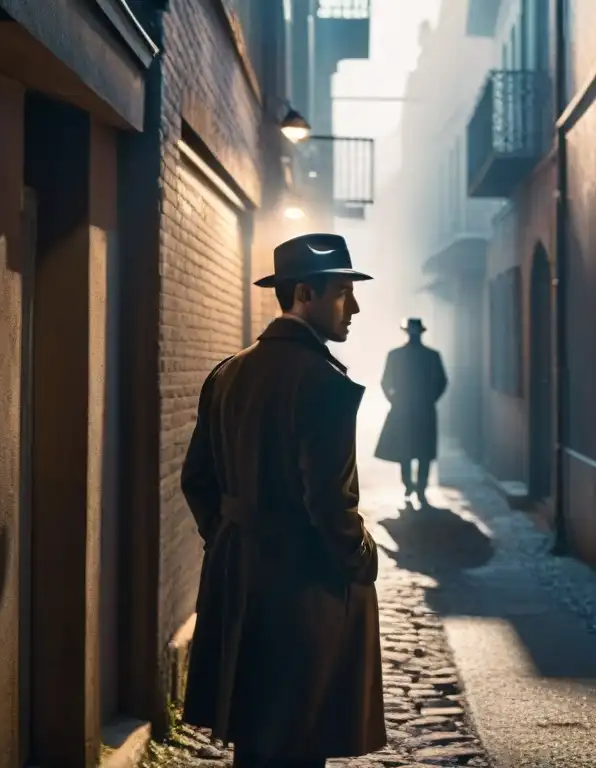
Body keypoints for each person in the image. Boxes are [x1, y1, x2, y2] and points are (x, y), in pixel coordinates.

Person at [179, 233, 385, 768]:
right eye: (342, 292)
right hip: (304, 588)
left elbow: (196, 480)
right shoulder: (324, 383)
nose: (354, 307)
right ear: (302, 294)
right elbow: (329, 504)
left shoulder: (227, 372)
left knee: (255, 735)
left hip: (239, 577)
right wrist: (362, 560)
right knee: (299, 740)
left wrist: (230, 539)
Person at [373, 318, 448, 505]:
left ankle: (421, 488)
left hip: (421, 408)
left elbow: (442, 381)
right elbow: (385, 381)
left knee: (423, 452)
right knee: (404, 450)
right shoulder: (396, 355)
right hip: (405, 409)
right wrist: (394, 400)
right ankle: (408, 484)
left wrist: (430, 398)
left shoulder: (431, 355)